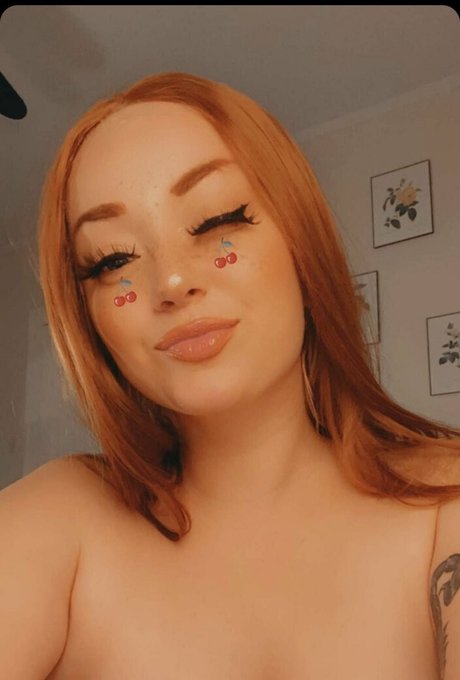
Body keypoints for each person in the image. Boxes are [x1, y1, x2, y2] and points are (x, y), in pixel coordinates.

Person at [1, 71, 460, 679]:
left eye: (218, 220)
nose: (170, 281)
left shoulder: (445, 500)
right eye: (113, 259)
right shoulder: (61, 517)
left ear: (301, 241)